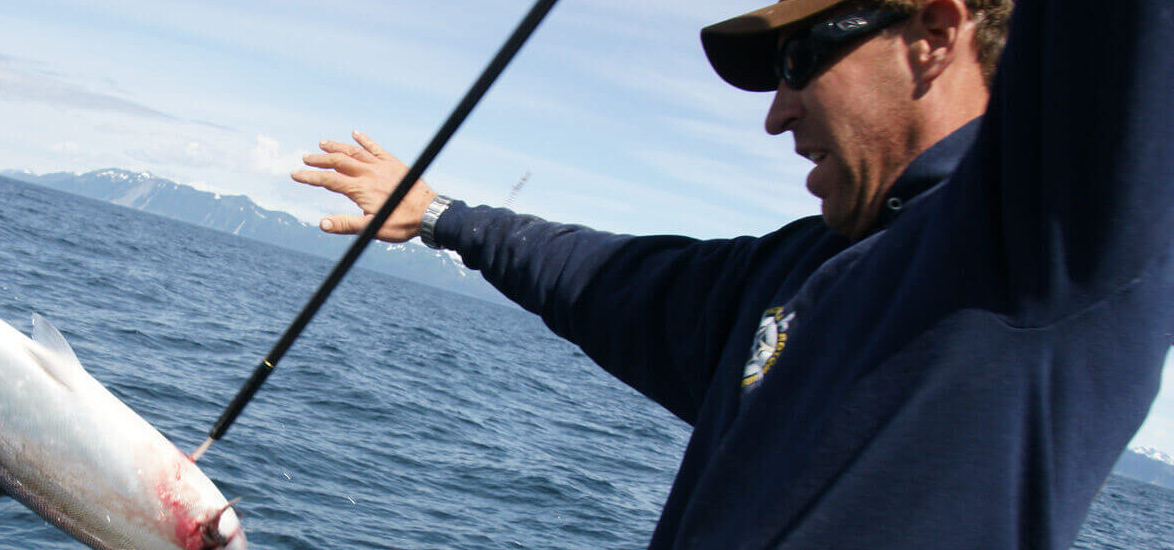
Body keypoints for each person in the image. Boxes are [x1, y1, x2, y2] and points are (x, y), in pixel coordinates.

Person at [292, 0, 1174, 547]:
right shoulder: (794, 273)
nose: (777, 114)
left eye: (797, 62)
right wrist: (445, 216)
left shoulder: (1050, 227)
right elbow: (606, 279)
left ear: (935, 34)